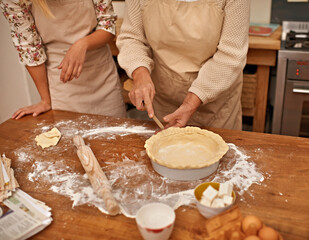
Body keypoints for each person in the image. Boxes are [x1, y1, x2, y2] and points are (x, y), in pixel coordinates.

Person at [117, 0, 249, 130]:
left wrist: (192, 101)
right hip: (163, 96)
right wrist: (140, 73)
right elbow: (132, 38)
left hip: (216, 103)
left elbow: (231, 54)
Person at [1, 0, 126, 119]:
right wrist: (45, 100)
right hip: (61, 83)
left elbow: (108, 26)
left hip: (102, 77)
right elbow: (29, 47)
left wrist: (82, 44)